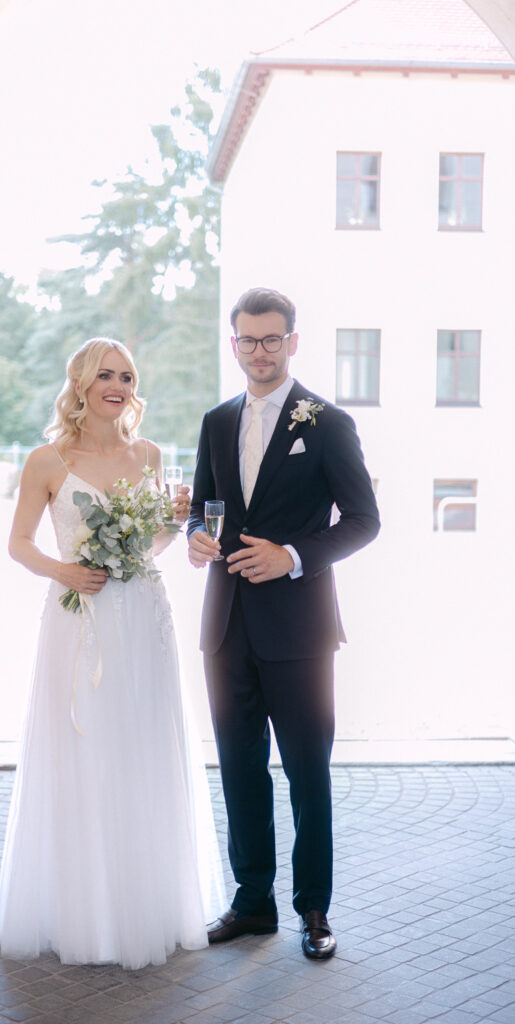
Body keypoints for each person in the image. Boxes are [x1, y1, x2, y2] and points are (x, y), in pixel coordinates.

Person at [0, 337, 225, 970]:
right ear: (81, 384)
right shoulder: (46, 461)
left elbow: (150, 545)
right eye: (105, 375)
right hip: (79, 619)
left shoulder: (149, 454)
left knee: (141, 747)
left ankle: (144, 904)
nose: (118, 386)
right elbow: (19, 544)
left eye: (126, 376)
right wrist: (64, 571)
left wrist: (173, 522)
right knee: (83, 747)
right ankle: (84, 912)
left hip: (143, 616)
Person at [187, 287, 380, 959]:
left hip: (299, 630)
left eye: (272, 339)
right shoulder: (216, 421)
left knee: (306, 772)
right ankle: (251, 904)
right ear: (233, 343)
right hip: (225, 627)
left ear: (292, 342)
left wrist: (292, 556)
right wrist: (195, 536)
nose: (259, 351)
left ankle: (314, 910)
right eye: (248, 339)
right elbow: (202, 505)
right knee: (240, 770)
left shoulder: (325, 422)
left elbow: (363, 521)